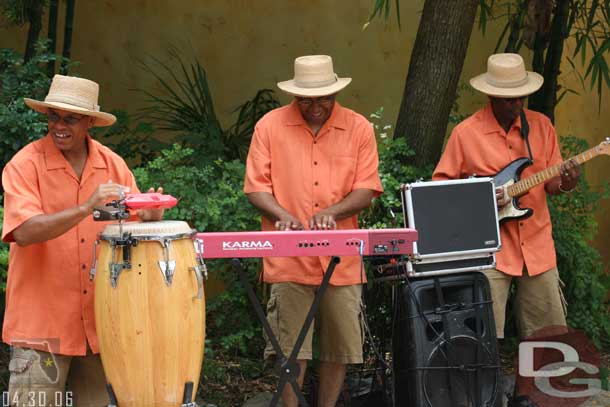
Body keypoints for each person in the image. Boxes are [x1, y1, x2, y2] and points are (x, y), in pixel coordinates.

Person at [2, 74, 164, 407]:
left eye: (70, 118)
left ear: (90, 121)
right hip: (40, 330)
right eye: (53, 116)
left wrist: (148, 217)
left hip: (100, 324)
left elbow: (129, 225)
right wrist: (86, 207)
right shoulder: (24, 164)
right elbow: (24, 232)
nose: (59, 125)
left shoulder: (112, 164)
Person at [433, 53, 580, 406]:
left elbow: (552, 186)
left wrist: (568, 182)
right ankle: (486, 399)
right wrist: (482, 196)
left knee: (546, 336)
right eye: (509, 98)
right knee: (481, 335)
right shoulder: (465, 133)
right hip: (490, 248)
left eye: (521, 96)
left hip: (537, 245)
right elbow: (440, 190)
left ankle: (527, 398)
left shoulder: (541, 127)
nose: (517, 103)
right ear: (491, 96)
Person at [244, 55, 383, 407]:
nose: (315, 106)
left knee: (338, 349)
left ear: (335, 92)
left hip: (341, 259)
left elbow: (366, 189)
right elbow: (255, 188)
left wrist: (333, 213)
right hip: (288, 258)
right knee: (290, 350)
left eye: (323, 98)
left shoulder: (359, 128)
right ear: (296, 95)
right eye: (307, 99)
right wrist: (282, 215)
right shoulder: (269, 126)